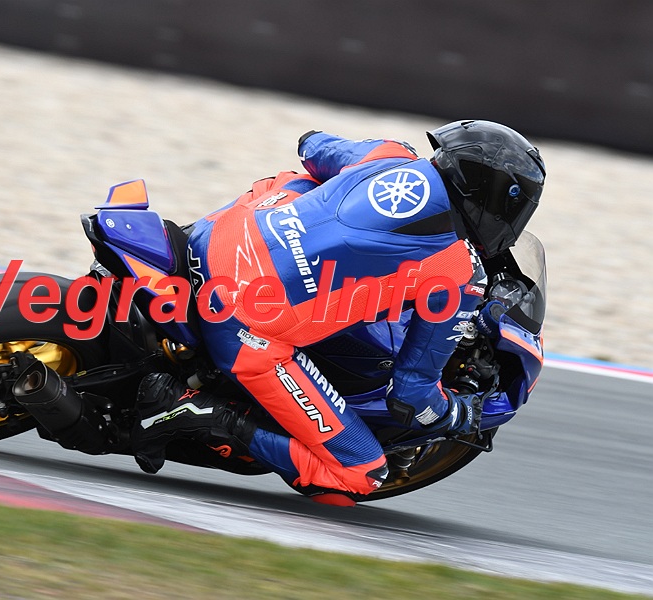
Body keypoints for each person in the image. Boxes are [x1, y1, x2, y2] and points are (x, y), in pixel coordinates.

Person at [131, 120, 546, 504]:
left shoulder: (391, 155)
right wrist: (459, 413)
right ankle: (189, 410)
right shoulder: (458, 273)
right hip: (244, 323)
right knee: (360, 474)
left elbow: (311, 145)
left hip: (213, 237)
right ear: (496, 199)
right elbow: (410, 397)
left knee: (298, 182)